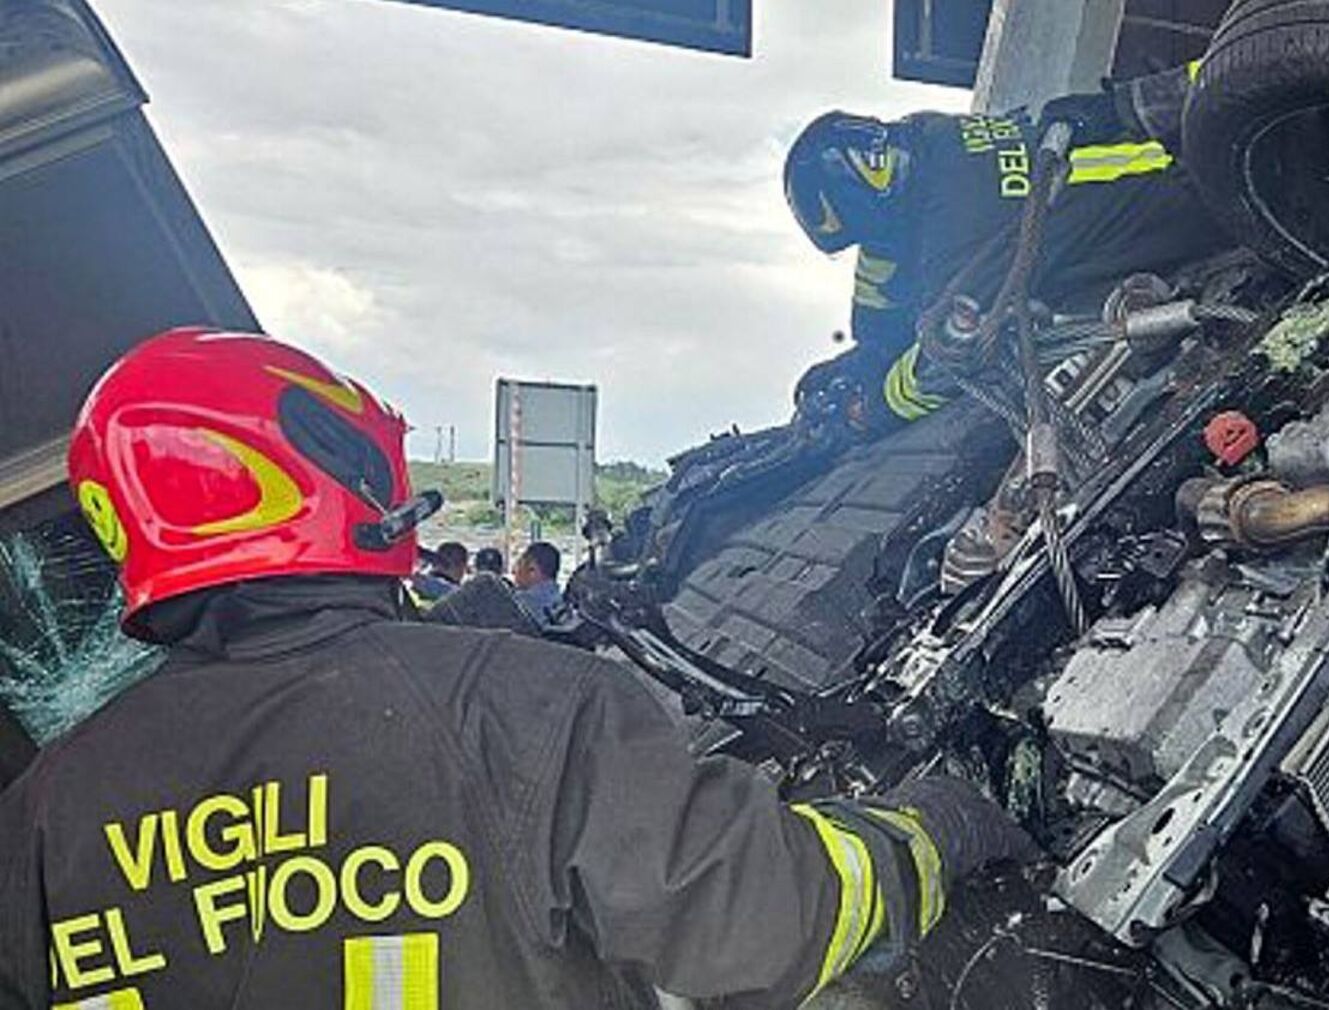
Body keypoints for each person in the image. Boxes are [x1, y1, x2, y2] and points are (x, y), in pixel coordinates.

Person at [0, 328, 1032, 1010]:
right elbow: (768, 921)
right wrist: (934, 828)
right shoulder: (516, 704)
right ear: (340, 472)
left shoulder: (39, 815)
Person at [783, 66, 1230, 429]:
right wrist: (868, 352)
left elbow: (947, 356)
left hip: (1196, 215)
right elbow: (884, 263)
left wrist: (874, 409)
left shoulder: (961, 244)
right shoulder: (934, 137)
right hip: (1191, 152)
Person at [512, 540, 564, 627]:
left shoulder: (523, 604)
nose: (513, 571)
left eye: (518, 565)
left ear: (532, 569)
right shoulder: (556, 597)